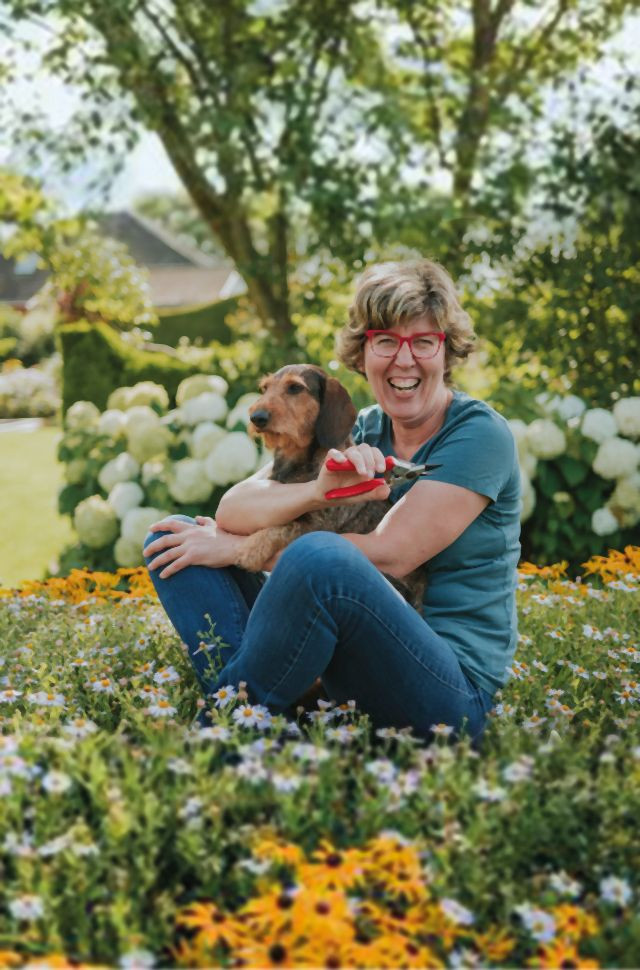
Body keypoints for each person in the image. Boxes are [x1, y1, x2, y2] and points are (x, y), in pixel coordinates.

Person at [143, 259, 521, 743]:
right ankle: (268, 726)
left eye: (423, 342)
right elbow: (233, 508)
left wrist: (239, 550)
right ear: (363, 352)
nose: (404, 360)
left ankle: (223, 736)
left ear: (446, 351)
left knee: (319, 556)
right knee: (175, 540)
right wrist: (315, 492)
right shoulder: (362, 428)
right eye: (386, 341)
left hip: (448, 694)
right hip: (351, 668)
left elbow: (392, 555)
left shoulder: (478, 435)